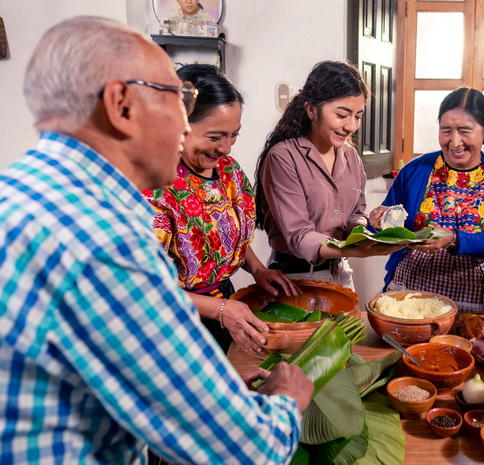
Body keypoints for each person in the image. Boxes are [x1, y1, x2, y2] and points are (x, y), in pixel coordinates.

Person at [0, 16, 312, 464]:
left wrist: (202, 400)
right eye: (178, 101)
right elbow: (247, 451)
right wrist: (284, 399)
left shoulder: (24, 193)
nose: (182, 128)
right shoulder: (106, 239)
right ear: (120, 104)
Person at [143, 64, 299, 355]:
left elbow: (224, 234)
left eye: (234, 135)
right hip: (173, 320)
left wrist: (257, 269)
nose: (226, 148)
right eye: (215, 137)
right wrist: (221, 308)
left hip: (224, 304)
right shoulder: (153, 188)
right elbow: (143, 288)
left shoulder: (228, 171)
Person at [369, 87, 484, 312]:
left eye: (465, 130)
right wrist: (379, 222)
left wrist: (453, 238)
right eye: (446, 130)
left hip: (481, 294)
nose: (455, 141)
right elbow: (389, 232)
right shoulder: (415, 170)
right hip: (414, 293)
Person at [254, 60, 401, 289]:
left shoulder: (350, 157)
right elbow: (300, 236)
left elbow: (355, 215)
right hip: (294, 280)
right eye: (342, 115)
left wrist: (368, 228)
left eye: (358, 116)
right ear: (312, 110)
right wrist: (358, 249)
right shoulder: (283, 158)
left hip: (341, 273)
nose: (352, 126)